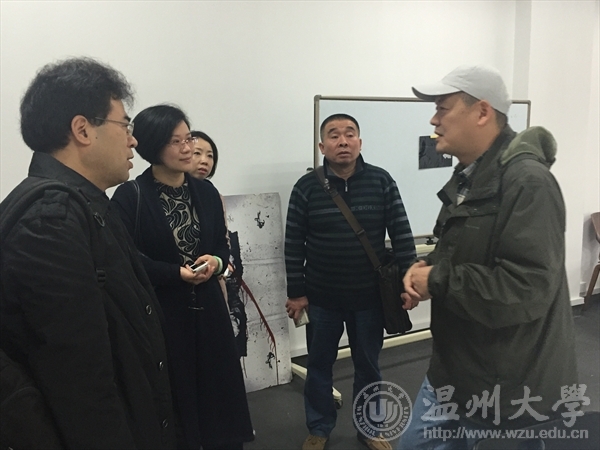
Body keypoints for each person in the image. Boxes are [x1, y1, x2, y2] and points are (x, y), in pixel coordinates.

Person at [399, 65, 579, 449]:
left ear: (482, 112)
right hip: (454, 369)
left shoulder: (528, 182)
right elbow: (468, 250)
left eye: (442, 108)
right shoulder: (469, 177)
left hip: (505, 384)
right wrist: (428, 269)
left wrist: (437, 280)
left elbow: (525, 287)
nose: (433, 120)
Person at [0, 57, 176, 448]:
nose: (133, 140)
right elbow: (79, 380)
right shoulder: (51, 221)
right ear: (82, 130)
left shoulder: (85, 206)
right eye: (125, 125)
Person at [110, 105, 253, 450]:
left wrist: (216, 262)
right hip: (162, 312)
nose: (188, 148)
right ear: (153, 146)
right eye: (176, 142)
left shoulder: (205, 191)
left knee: (219, 391)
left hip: (209, 308)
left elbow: (221, 245)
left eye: (188, 138)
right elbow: (124, 258)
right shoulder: (131, 196)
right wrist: (174, 273)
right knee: (176, 393)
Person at [285, 113, 416, 450]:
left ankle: (370, 428)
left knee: (369, 367)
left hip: (369, 298)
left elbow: (401, 233)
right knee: (318, 366)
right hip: (322, 298)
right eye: (334, 135)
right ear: (322, 146)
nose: (342, 141)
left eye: (349, 134)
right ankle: (319, 427)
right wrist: (296, 293)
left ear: (360, 142)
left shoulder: (381, 181)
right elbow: (293, 243)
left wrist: (409, 282)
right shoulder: (306, 187)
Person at [188, 130, 248, 358]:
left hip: (210, 282)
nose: (204, 160)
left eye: (210, 155)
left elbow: (223, 242)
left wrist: (217, 262)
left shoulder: (212, 194)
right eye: (197, 153)